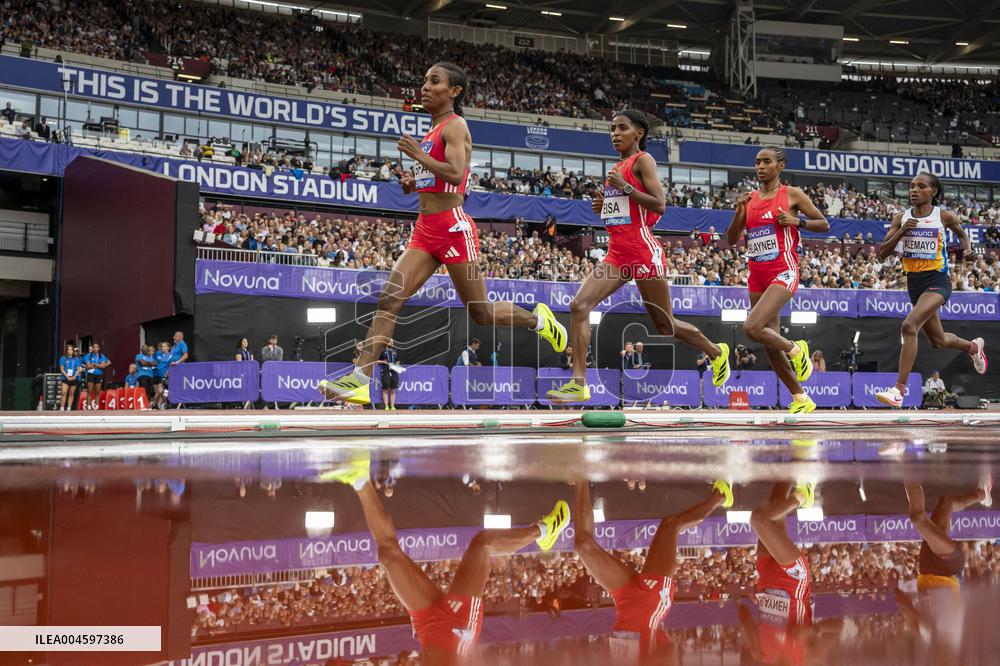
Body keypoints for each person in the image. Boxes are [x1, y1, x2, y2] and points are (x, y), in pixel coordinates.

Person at [320, 63, 566, 405]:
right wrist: (415, 181)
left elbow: (455, 173)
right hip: (425, 231)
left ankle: (540, 321)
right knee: (390, 298)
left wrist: (420, 157)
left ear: (454, 91)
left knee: (481, 312)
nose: (425, 86)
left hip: (452, 228)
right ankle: (360, 379)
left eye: (434, 81)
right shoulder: (432, 131)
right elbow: (437, 177)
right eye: (424, 80)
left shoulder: (456, 125)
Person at [547, 109, 730, 403]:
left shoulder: (643, 160)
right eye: (612, 129)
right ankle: (578, 382)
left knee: (665, 325)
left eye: (622, 128)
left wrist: (625, 187)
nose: (615, 133)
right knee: (579, 305)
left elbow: (659, 205)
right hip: (617, 254)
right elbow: (625, 213)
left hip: (643, 252)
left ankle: (716, 351)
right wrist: (605, 205)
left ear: (639, 134)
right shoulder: (616, 170)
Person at [321, 456, 570, 661]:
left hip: (427, 630)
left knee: (388, 555)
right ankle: (546, 530)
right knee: (483, 544)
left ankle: (358, 477)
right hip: (457, 632)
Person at [574, 479, 733, 660]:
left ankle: (581, 478)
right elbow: (670, 651)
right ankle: (720, 496)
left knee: (583, 545)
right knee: (671, 524)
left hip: (624, 601)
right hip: (651, 602)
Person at [726, 147, 829, 414]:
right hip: (756, 274)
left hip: (783, 270)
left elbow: (824, 224)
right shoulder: (748, 199)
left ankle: (796, 349)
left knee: (751, 327)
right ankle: (801, 399)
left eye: (766, 161)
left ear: (779, 166)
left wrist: (797, 221)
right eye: (757, 162)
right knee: (767, 341)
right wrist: (739, 212)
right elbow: (731, 238)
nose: (760, 166)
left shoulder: (791, 194)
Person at [875, 173, 987, 407]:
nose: (914, 190)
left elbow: (962, 235)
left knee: (908, 326)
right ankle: (973, 347)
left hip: (938, 280)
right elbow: (881, 253)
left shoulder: (943, 215)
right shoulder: (900, 218)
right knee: (938, 340)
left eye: (921, 186)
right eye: (912, 186)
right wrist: (902, 232)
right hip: (914, 283)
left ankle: (899, 390)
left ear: (933, 192)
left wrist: (967, 251)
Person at [738, 480, 843, 664]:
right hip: (793, 577)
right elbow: (838, 626)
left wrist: (760, 601)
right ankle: (802, 495)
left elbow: (743, 612)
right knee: (759, 519)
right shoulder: (808, 657)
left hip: (766, 572)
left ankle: (789, 465)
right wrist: (813, 630)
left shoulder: (763, 656)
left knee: (776, 498)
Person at [895, 480, 992, 662]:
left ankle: (981, 495)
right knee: (918, 519)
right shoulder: (942, 638)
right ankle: (903, 460)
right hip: (947, 568)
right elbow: (904, 603)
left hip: (926, 566)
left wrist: (909, 607)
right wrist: (910, 611)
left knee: (945, 502)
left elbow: (902, 601)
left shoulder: (929, 639)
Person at [83, 342, 110, 410]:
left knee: (97, 391)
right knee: (89, 391)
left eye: (96, 347)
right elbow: (88, 366)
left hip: (99, 375)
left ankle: (96, 406)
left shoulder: (102, 356)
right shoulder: (88, 355)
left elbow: (103, 366)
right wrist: (98, 365)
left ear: (99, 348)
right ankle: (88, 406)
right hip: (90, 375)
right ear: (92, 348)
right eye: (94, 347)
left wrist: (95, 364)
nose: (95, 348)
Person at [377, 338, 400, 411]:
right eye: (391, 342)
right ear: (386, 343)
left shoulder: (395, 351)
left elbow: (398, 360)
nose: (392, 343)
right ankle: (386, 406)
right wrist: (383, 362)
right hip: (385, 370)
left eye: (393, 342)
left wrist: (397, 363)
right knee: (385, 389)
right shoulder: (382, 351)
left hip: (394, 370)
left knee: (393, 389)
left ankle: (392, 406)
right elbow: (376, 361)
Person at [58, 343, 82, 411]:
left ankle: (69, 408)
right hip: (65, 378)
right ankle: (62, 407)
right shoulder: (63, 358)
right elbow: (61, 369)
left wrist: (75, 376)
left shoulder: (77, 359)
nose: (70, 351)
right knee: (64, 392)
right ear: (66, 351)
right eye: (68, 350)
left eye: (71, 349)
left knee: (71, 393)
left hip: (74, 378)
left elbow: (79, 369)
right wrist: (67, 376)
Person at [153, 341, 173, 409]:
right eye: (162, 346)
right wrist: (153, 365)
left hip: (163, 376)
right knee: (157, 393)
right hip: (155, 375)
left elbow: (170, 366)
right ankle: (156, 406)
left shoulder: (171, 356)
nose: (163, 348)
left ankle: (154, 405)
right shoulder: (158, 353)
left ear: (168, 347)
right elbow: (153, 361)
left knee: (161, 392)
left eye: (164, 346)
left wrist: (167, 373)